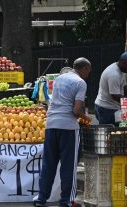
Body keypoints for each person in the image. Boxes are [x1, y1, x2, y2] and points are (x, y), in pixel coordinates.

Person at [34, 58, 92, 207]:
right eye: (88, 71)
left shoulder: (59, 79)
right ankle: (66, 201)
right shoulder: (80, 83)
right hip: (68, 128)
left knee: (49, 164)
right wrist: (87, 118)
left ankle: (41, 199)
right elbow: (76, 110)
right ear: (84, 69)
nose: (88, 74)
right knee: (69, 166)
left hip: (51, 124)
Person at [94, 51, 127, 125]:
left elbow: (124, 85)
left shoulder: (122, 70)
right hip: (106, 109)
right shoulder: (114, 74)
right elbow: (115, 95)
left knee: (117, 133)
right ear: (122, 62)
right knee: (110, 133)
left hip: (111, 107)